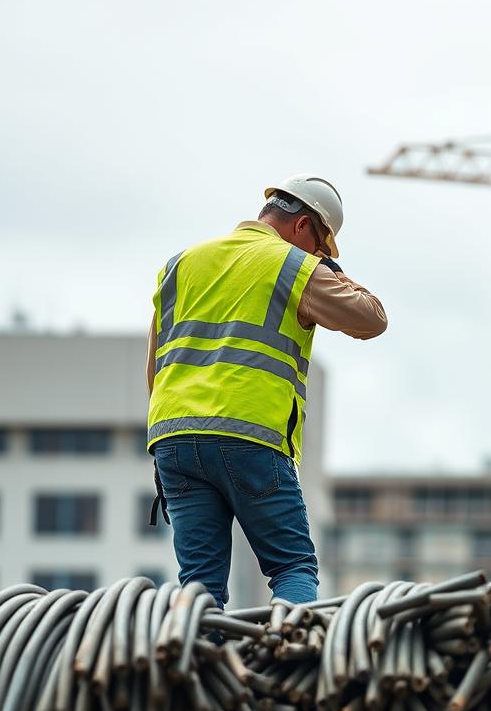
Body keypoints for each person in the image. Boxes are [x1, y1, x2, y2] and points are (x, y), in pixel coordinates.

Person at [145, 175, 387, 607]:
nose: (318, 255)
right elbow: (371, 318)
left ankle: (196, 668)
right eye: (320, 245)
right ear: (303, 227)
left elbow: (155, 369)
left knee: (199, 585)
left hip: (174, 438)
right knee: (292, 566)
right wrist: (330, 269)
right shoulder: (295, 266)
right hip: (250, 436)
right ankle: (288, 667)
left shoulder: (179, 265)